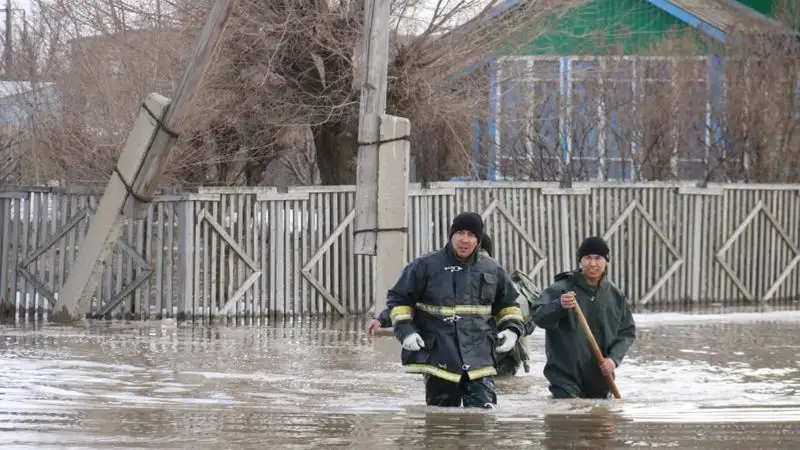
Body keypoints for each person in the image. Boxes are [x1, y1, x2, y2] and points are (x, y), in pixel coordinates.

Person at [385, 212, 525, 408]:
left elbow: (509, 305)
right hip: (440, 357)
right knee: (442, 422)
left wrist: (512, 330)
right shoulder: (424, 266)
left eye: (471, 234)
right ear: (451, 235)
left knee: (483, 420)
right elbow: (399, 300)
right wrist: (406, 332)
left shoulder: (493, 269)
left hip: (480, 357)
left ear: (478, 239)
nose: (465, 240)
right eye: (460, 233)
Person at [531, 236, 636, 399]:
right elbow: (538, 316)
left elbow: (627, 333)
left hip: (602, 380)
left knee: (598, 418)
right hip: (565, 379)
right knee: (570, 418)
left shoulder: (616, 296)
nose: (592, 263)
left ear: (606, 261)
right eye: (587, 258)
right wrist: (559, 306)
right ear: (581, 261)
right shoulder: (561, 289)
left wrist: (613, 360)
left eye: (598, 258)